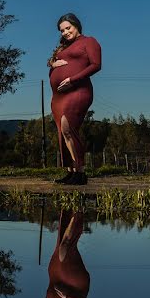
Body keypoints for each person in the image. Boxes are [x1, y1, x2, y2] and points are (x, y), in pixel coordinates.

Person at [48, 13, 102, 185]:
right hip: (58, 96)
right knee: (62, 133)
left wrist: (72, 80)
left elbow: (96, 65)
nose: (65, 32)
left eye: (68, 28)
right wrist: (52, 64)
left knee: (67, 127)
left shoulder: (89, 41)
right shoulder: (62, 47)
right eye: (62, 30)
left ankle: (80, 171)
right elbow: (51, 60)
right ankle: (70, 171)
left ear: (76, 25)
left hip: (78, 90)